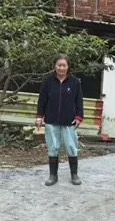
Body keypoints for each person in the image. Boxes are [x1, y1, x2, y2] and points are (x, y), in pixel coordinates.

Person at [35, 54, 84, 186]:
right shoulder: (48, 82)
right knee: (53, 147)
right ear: (55, 66)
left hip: (69, 121)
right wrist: (39, 116)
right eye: (59, 65)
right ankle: (53, 175)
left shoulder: (75, 82)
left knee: (71, 147)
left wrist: (79, 117)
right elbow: (42, 100)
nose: (61, 68)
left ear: (68, 67)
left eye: (64, 65)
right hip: (51, 120)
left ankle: (74, 175)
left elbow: (79, 101)